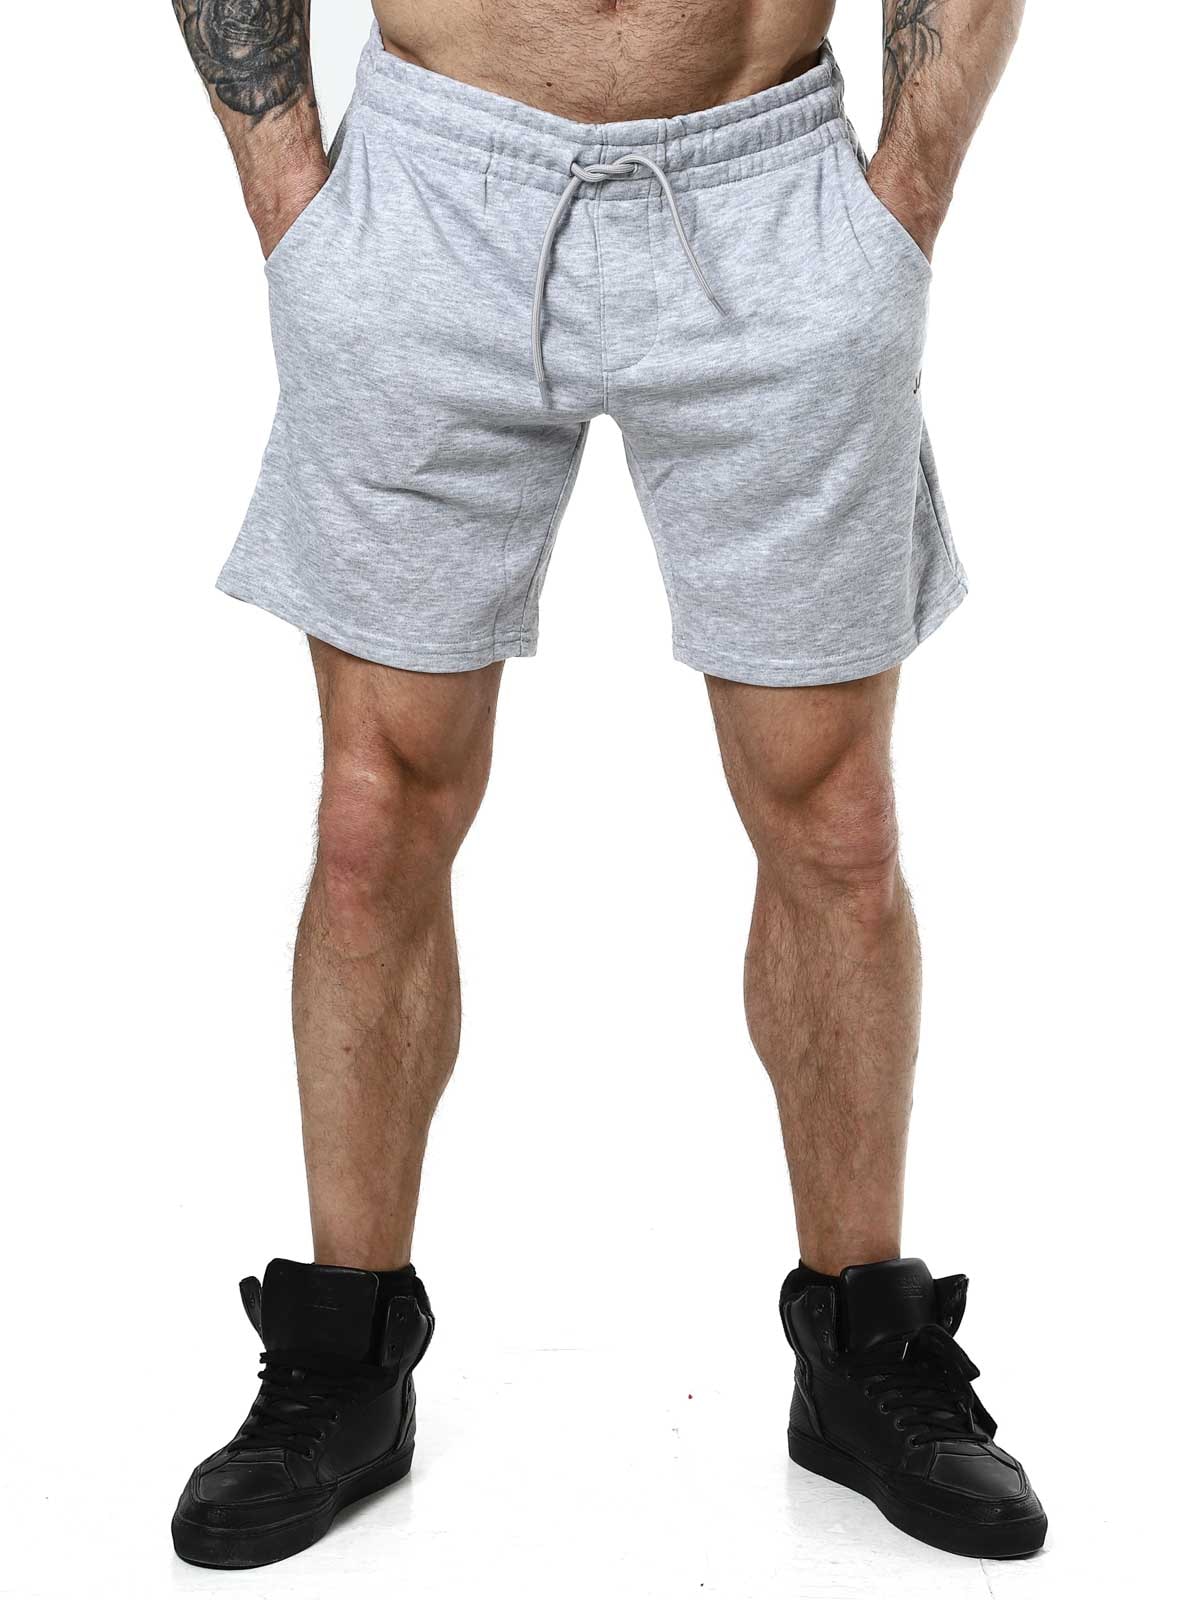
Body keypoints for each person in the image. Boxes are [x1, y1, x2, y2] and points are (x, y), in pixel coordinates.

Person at [169, 0, 1045, 1569]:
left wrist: (906, 193)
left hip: (770, 185)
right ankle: (341, 1356)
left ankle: (865, 1349)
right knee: (376, 812)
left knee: (835, 819)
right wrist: (283, 185)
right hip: (430, 191)